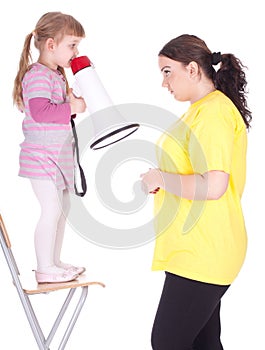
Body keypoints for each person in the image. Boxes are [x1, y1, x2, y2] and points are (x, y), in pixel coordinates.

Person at [141, 34, 252, 349]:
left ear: (192, 69)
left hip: (205, 250)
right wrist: (162, 180)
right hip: (198, 248)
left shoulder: (214, 113)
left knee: (167, 341)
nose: (164, 82)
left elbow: (213, 185)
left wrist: (161, 178)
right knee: (203, 343)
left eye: (167, 71)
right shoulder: (201, 110)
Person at [13, 12, 87, 283]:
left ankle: (54, 262)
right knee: (51, 209)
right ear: (51, 45)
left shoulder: (55, 75)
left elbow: (53, 112)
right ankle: (45, 266)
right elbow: (41, 111)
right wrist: (71, 107)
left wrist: (71, 104)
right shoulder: (38, 76)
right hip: (41, 158)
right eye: (72, 45)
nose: (76, 51)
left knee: (62, 209)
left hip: (57, 157)